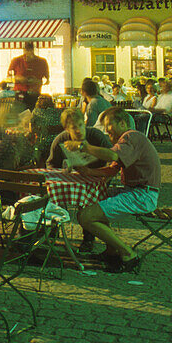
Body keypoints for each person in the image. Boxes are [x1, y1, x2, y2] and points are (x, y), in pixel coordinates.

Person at [76, 109, 161, 273]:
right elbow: (112, 169)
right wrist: (88, 171)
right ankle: (111, 251)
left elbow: (112, 156)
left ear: (122, 123)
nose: (108, 133)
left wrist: (85, 147)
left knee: (86, 216)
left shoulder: (131, 136)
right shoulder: (129, 142)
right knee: (90, 199)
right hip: (136, 191)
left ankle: (127, 253)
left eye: (109, 127)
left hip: (142, 195)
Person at [47, 107, 112, 252]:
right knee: (52, 197)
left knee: (88, 205)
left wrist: (104, 177)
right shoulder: (61, 140)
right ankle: (52, 231)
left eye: (81, 126)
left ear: (85, 123)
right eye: (73, 128)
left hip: (95, 179)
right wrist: (63, 170)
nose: (78, 130)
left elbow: (112, 158)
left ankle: (88, 239)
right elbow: (51, 164)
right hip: (70, 181)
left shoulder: (95, 135)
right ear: (66, 129)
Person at [7, 41, 49, 106]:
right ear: (24, 50)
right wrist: (19, 79)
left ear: (33, 50)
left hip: (34, 93)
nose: (28, 53)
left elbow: (46, 80)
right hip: (20, 93)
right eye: (27, 50)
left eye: (30, 50)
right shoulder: (16, 61)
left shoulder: (42, 62)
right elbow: (9, 78)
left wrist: (36, 81)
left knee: (31, 113)